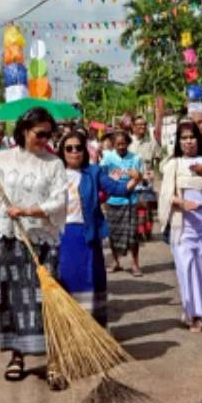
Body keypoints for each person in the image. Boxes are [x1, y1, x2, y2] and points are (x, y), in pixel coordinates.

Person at [0, 107, 68, 388]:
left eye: (50, 134)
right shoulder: (2, 158)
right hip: (11, 239)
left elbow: (60, 202)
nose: (45, 139)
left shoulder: (54, 163)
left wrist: (28, 210)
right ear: (24, 131)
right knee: (13, 298)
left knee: (45, 300)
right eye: (40, 134)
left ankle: (54, 360)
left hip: (42, 241)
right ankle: (17, 355)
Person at [57, 129, 138, 326]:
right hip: (63, 235)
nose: (74, 152)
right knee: (66, 280)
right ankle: (71, 328)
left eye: (78, 148)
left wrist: (136, 180)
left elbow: (117, 189)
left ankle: (92, 328)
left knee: (90, 279)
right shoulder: (54, 173)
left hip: (87, 234)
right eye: (69, 148)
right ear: (62, 152)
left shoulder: (93, 172)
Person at [159, 119, 202, 333]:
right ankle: (190, 311)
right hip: (183, 224)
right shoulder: (172, 164)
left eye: (192, 137)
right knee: (186, 269)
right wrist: (183, 204)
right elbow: (167, 195)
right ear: (178, 141)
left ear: (199, 139)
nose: (188, 142)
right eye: (184, 138)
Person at [101, 130, 145, 276]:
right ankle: (116, 261)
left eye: (123, 143)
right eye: (118, 144)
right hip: (112, 201)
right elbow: (101, 176)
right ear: (113, 144)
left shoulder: (136, 158)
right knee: (113, 233)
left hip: (130, 200)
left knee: (133, 234)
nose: (121, 146)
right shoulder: (107, 159)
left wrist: (137, 176)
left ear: (128, 143)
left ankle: (135, 264)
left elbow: (143, 178)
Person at [129, 116, 162, 239]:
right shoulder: (128, 143)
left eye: (144, 124)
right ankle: (137, 232)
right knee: (135, 208)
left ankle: (147, 232)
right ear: (133, 127)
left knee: (147, 208)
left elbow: (158, 158)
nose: (142, 127)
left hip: (146, 182)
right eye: (139, 124)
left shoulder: (151, 142)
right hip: (131, 181)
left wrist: (154, 171)